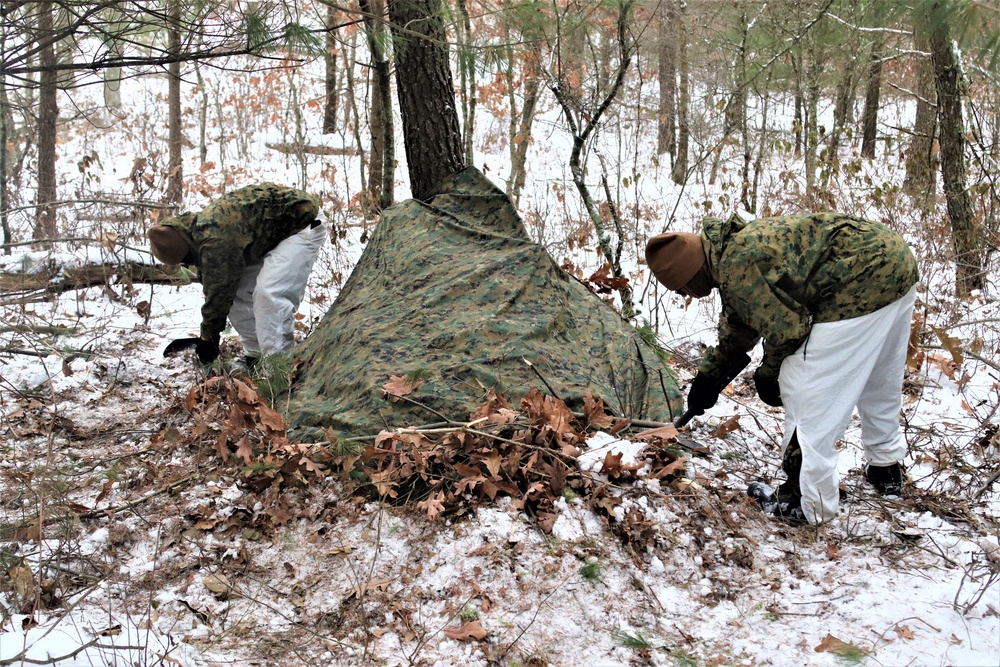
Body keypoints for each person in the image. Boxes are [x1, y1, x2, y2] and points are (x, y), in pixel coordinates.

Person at [646, 212, 919, 524]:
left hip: (858, 283)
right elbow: (742, 322)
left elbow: (788, 330)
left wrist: (769, 373)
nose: (686, 296)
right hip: (895, 261)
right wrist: (710, 377)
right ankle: (886, 467)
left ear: (690, 274)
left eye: (681, 289)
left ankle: (806, 502)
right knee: (878, 377)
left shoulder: (737, 264)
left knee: (802, 388)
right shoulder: (733, 248)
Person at [148, 183, 328, 365]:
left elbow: (218, 294)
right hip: (267, 233)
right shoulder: (195, 230)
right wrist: (208, 336)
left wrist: (208, 338)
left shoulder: (215, 241)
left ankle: (279, 366)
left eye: (185, 260)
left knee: (270, 293)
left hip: (302, 222)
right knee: (237, 293)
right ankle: (255, 357)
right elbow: (220, 287)